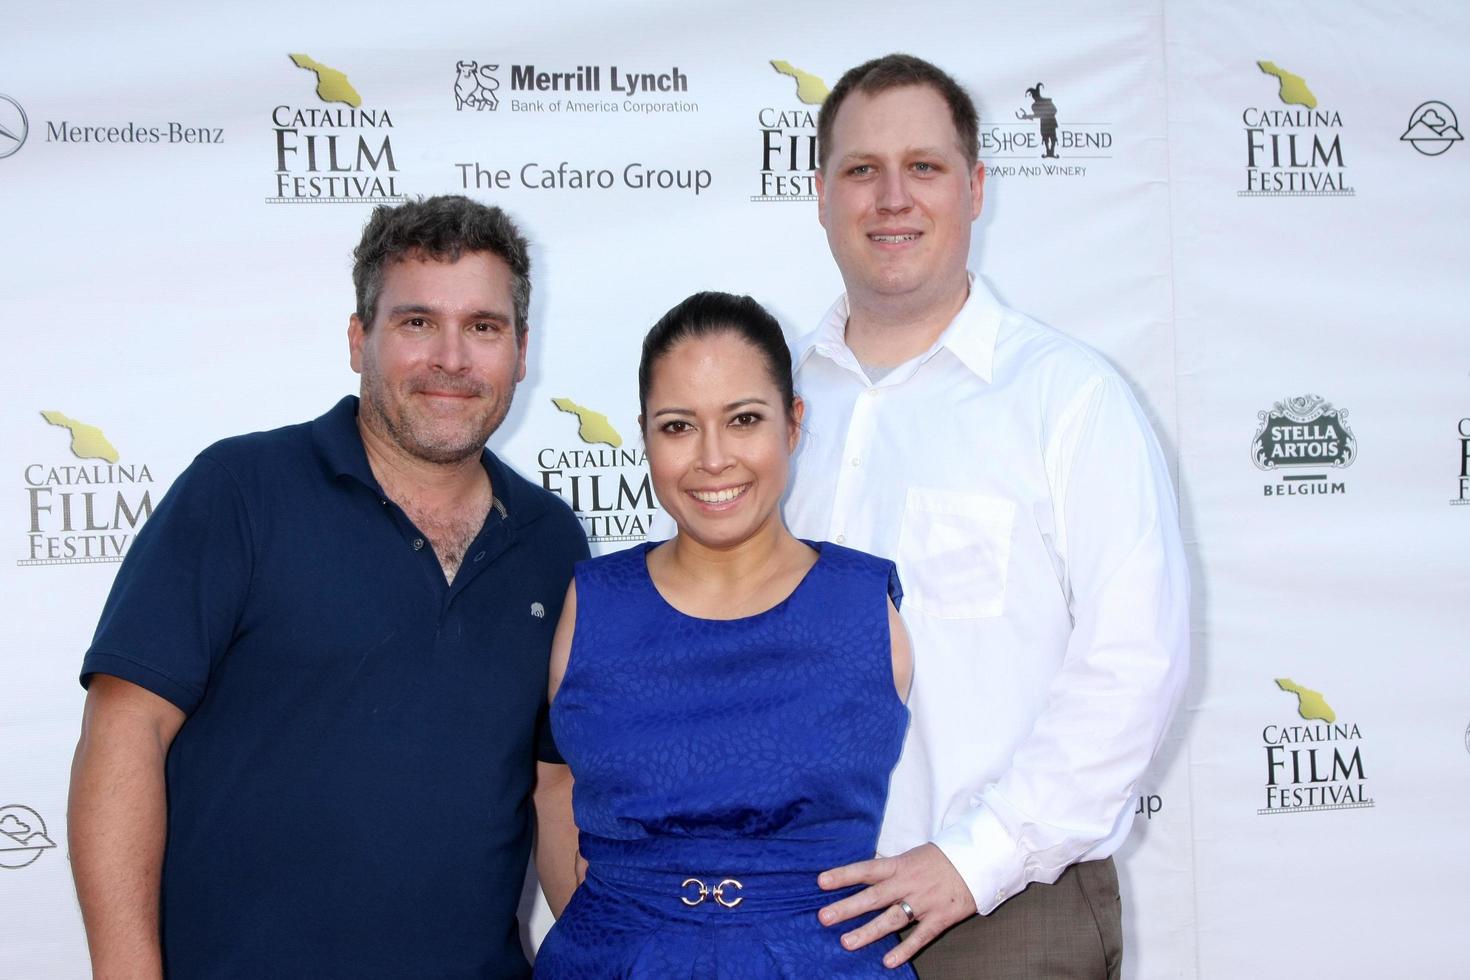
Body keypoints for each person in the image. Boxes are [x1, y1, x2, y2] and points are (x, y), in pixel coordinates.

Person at [66, 195, 588, 979]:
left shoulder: (552, 540)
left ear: (520, 352)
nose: (452, 357)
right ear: (358, 341)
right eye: (416, 322)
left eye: (483, 327)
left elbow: (554, 786)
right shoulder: (240, 491)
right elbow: (124, 731)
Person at [784, 54, 1190, 977]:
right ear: (819, 194)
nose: (892, 198)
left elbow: (1134, 663)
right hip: (796, 909)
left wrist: (975, 861)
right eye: (861, 170)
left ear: (974, 189)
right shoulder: (771, 407)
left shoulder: (1067, 400)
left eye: (923, 167)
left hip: (1006, 916)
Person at [532, 291, 916, 977]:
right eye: (679, 427)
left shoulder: (864, 605)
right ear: (644, 434)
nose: (713, 458)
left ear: (793, 426)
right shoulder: (590, 601)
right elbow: (554, 784)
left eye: (743, 420)